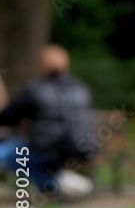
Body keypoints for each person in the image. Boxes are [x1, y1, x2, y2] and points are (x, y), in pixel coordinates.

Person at [0, 44, 95, 197]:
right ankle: (60, 181)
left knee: (5, 154)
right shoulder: (81, 88)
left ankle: (56, 182)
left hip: (49, 148)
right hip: (82, 147)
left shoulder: (36, 89)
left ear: (43, 65)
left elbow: (9, 117)